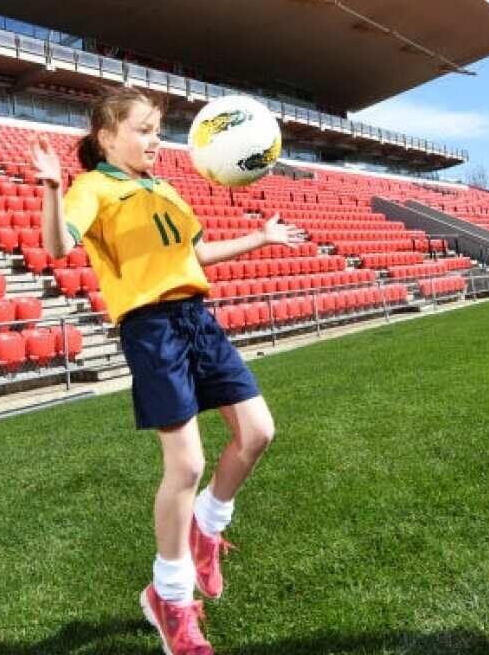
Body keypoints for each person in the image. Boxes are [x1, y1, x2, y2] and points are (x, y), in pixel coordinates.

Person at [33, 88, 305, 655]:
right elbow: (58, 246)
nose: (156, 140)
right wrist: (54, 191)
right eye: (144, 129)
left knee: (258, 431)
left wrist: (260, 238)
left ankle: (207, 527)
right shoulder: (94, 188)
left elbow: (195, 257)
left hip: (196, 318)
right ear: (108, 136)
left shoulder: (168, 191)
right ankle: (170, 599)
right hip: (151, 329)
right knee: (187, 463)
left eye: (159, 130)